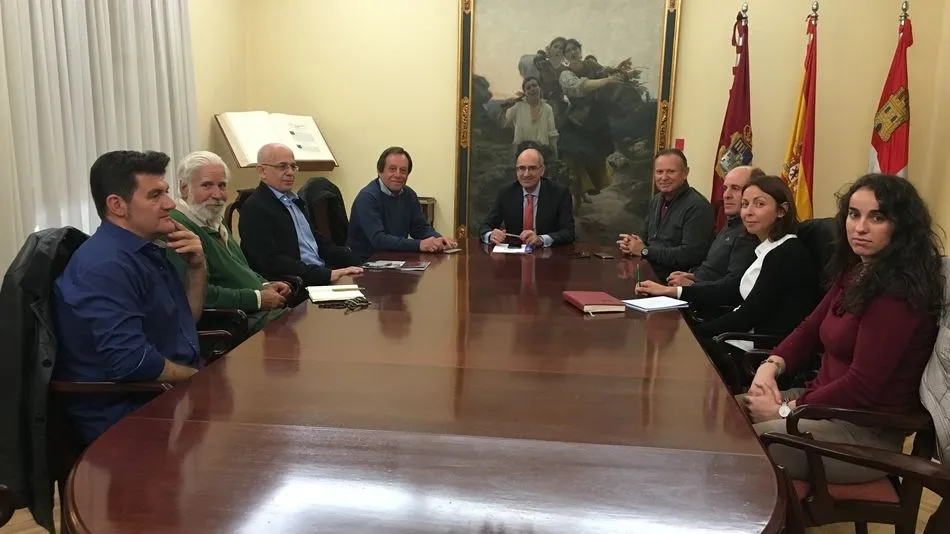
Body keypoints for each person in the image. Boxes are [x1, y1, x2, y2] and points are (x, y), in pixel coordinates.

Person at [742, 174, 943, 483]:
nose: (859, 227)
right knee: (726, 417)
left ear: (902, 227)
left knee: (742, 446)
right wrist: (770, 367)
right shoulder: (858, 269)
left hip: (863, 432)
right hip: (820, 403)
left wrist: (786, 411)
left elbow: (862, 385)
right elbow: (811, 327)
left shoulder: (897, 292)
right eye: (853, 214)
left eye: (877, 217)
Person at [53, 150, 206, 443]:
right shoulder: (106, 265)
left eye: (167, 192)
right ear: (117, 205)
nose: (170, 204)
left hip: (165, 396)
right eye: (155, 195)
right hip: (130, 414)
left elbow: (185, 322)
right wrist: (201, 380)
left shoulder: (143, 250)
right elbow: (134, 363)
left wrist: (197, 268)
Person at [637, 175, 819, 348]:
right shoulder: (767, 248)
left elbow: (747, 315)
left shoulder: (786, 253)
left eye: (759, 204)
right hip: (738, 336)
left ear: (782, 210)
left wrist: (695, 333)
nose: (748, 212)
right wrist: (672, 292)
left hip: (754, 349)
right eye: (745, 204)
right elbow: (733, 291)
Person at [167, 151, 292, 334]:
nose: (217, 195)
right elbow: (196, 293)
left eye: (222, 185)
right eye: (207, 185)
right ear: (184, 188)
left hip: (256, 311)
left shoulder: (211, 217)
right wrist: (256, 298)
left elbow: (238, 268)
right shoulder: (178, 228)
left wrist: (264, 284)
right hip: (233, 322)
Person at [239, 143, 363, 287]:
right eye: (282, 166)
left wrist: (359, 262)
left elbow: (318, 243)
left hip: (320, 275)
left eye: (293, 166)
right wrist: (327, 275)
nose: (290, 172)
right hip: (296, 285)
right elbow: (271, 261)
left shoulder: (294, 201)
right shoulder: (255, 207)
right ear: (262, 171)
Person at [619, 149, 715, 280]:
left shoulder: (698, 207)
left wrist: (644, 251)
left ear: (685, 173)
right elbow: (646, 238)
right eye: (659, 172)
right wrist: (631, 244)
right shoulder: (656, 200)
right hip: (648, 275)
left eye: (671, 171)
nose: (664, 177)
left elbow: (690, 255)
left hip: (674, 283)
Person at [347, 146, 457, 260]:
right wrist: (419, 245)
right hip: (366, 264)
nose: (398, 175)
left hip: (395, 259)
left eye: (403, 170)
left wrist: (439, 239)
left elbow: (420, 228)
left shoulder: (409, 194)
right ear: (380, 171)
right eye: (392, 169)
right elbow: (378, 239)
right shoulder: (367, 198)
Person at [666, 166, 762, 292]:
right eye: (725, 188)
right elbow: (714, 269)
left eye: (735, 188)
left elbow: (733, 286)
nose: (726, 195)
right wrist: (691, 276)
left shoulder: (750, 232)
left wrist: (690, 286)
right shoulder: (731, 224)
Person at [478, 142, 575, 247]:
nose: (526, 174)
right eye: (522, 168)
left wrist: (541, 239)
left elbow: (568, 233)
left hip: (548, 256)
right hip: (514, 256)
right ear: (516, 170)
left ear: (542, 170)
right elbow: (485, 226)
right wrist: (490, 235)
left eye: (532, 168)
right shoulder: (506, 193)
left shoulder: (559, 193)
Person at [498, 77, 559, 155]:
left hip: (542, 152)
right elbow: (503, 124)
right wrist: (504, 110)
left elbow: (552, 134)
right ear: (525, 92)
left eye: (534, 85)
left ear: (540, 88)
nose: (532, 89)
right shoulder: (517, 107)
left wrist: (554, 153)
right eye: (528, 88)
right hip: (521, 152)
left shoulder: (547, 108)